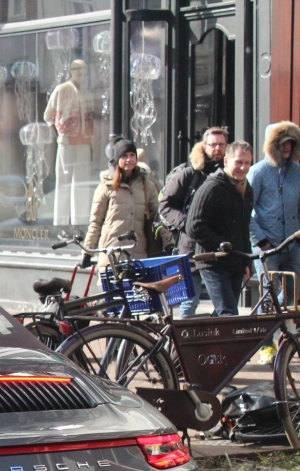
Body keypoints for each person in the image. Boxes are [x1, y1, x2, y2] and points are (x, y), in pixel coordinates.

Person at [158, 126, 228, 316]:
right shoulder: (189, 174)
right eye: (213, 144)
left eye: (221, 144)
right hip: (191, 249)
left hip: (219, 251)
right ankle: (182, 344)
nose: (217, 149)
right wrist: (188, 224)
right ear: (204, 146)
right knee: (189, 302)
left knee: (225, 306)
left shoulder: (230, 176)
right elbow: (165, 205)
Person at [187, 141, 255, 316]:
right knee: (229, 314)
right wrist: (221, 244)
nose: (243, 167)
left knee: (222, 316)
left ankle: (206, 344)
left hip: (236, 261)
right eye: (238, 162)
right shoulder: (212, 187)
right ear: (226, 162)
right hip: (213, 261)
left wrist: (247, 260)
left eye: (247, 163)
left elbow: (243, 228)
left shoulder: (247, 191)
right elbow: (194, 225)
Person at [249, 121, 300, 302]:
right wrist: (260, 239)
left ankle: (286, 329)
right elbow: (245, 211)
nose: (286, 147)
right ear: (273, 144)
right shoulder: (257, 172)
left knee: (294, 291)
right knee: (268, 295)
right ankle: (266, 331)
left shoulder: (299, 172)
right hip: (267, 245)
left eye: (290, 142)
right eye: (282, 142)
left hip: (292, 244)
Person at [84, 136, 160, 269]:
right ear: (117, 159)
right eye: (124, 156)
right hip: (111, 254)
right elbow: (96, 222)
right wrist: (88, 251)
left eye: (132, 155)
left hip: (138, 254)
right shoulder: (106, 186)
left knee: (136, 290)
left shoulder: (147, 185)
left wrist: (168, 243)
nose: (129, 159)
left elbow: (157, 218)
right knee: (113, 290)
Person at [44, 59, 95, 227]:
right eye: (79, 72)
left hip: (84, 141)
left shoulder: (87, 92)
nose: (82, 76)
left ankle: (80, 221)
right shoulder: (61, 90)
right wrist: (57, 133)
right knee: (63, 182)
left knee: (81, 181)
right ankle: (61, 222)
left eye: (84, 73)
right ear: (72, 71)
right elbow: (48, 115)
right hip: (66, 141)